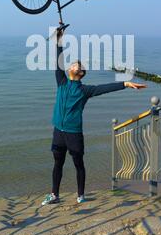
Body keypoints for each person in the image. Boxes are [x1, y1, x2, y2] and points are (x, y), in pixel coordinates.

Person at [42, 29, 147, 206]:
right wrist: (59, 40)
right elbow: (58, 61)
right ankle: (54, 194)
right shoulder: (61, 82)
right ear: (69, 70)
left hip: (74, 132)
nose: (74, 64)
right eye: (73, 64)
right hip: (58, 132)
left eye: (78, 65)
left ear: (80, 73)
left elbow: (104, 88)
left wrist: (125, 84)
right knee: (57, 163)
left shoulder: (85, 90)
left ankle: (81, 195)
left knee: (78, 164)